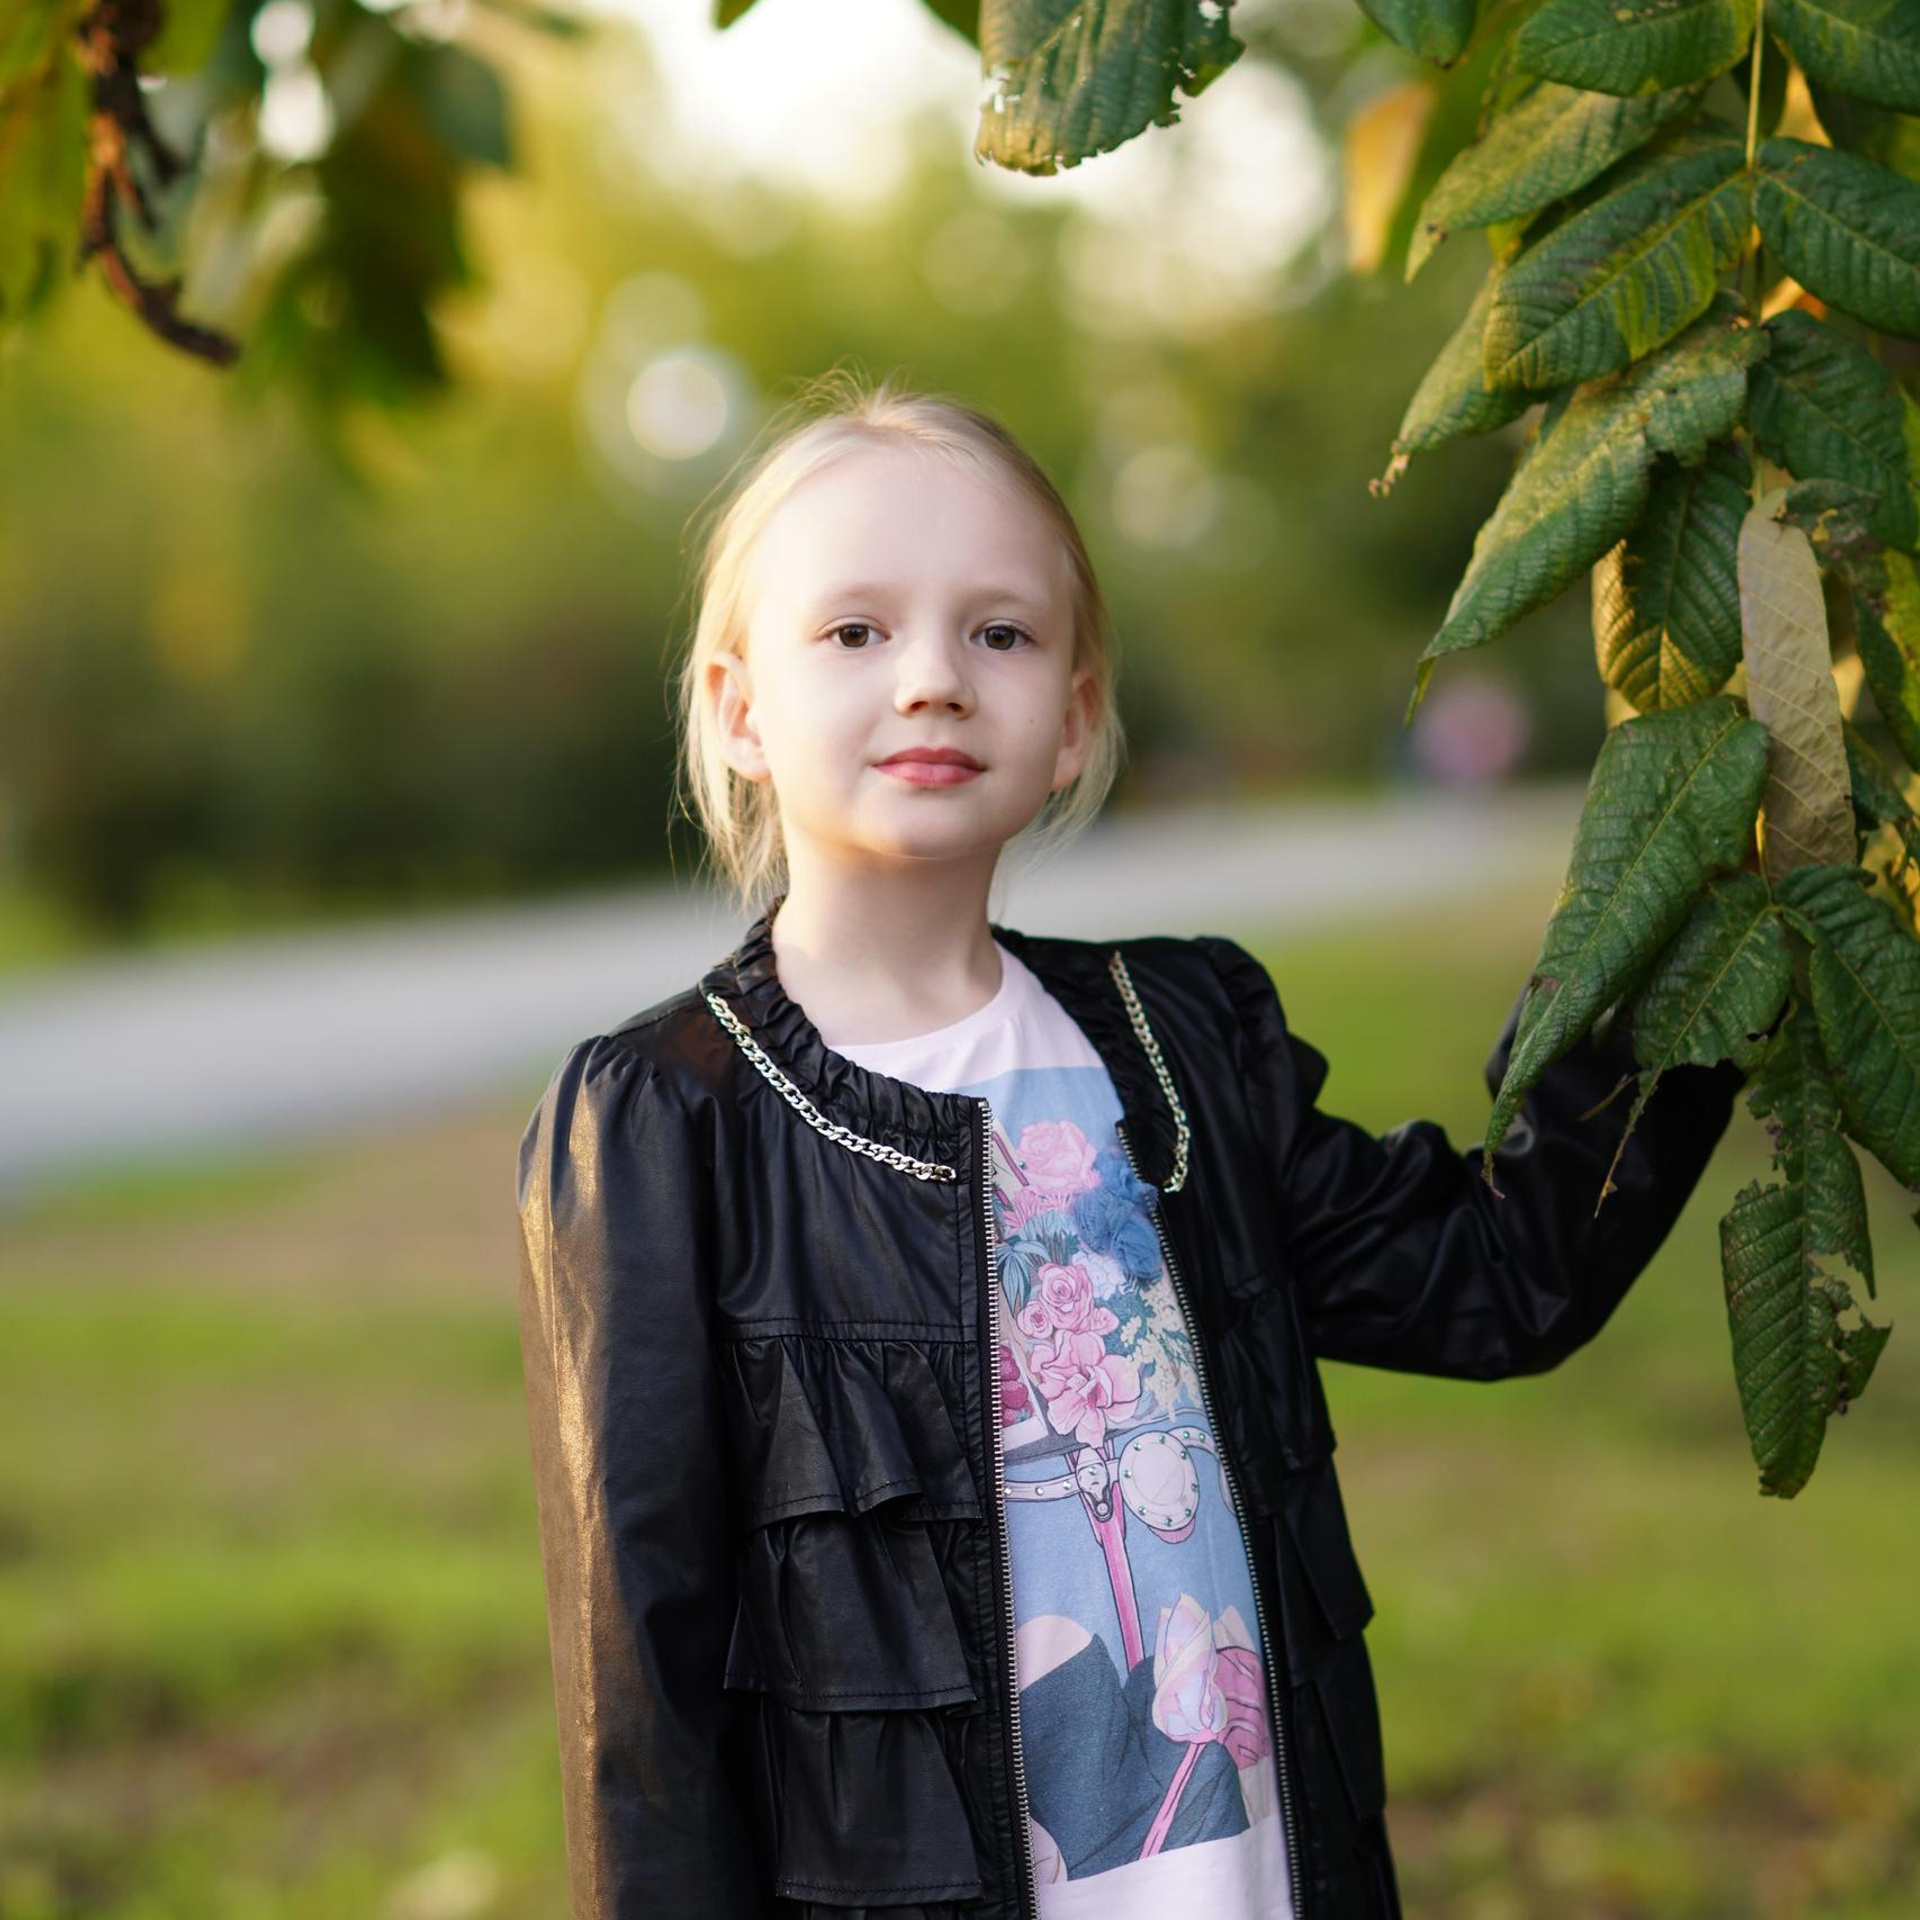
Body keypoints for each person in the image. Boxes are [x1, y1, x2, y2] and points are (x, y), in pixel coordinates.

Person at [513, 371, 1747, 1920]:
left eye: (1001, 633)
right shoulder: (664, 1120)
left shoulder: (1187, 1043)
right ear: (737, 707)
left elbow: (1498, 1278)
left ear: (1077, 714)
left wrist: (1693, 916)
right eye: (856, 631)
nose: (933, 680)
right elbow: (646, 1702)